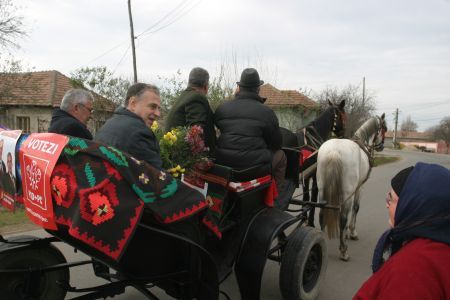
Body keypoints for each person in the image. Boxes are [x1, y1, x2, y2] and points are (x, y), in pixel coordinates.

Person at [354, 162, 450, 300]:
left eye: (390, 199)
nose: (386, 204)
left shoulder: (413, 270)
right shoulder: (437, 247)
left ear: (414, 206)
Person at [214, 68, 286, 186]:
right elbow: (276, 144)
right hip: (253, 170)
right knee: (281, 155)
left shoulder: (222, 108)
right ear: (258, 89)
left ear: (239, 87)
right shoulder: (267, 112)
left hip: (223, 166)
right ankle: (276, 196)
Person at [95, 83, 163, 169]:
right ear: (133, 103)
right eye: (152, 107)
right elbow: (157, 177)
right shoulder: (140, 133)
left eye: (158, 108)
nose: (158, 114)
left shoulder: (108, 124)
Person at [164, 67, 216, 155]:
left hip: (173, 153)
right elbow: (196, 131)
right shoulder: (197, 97)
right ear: (206, 86)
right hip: (186, 159)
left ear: (189, 82)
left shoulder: (184, 96)